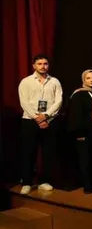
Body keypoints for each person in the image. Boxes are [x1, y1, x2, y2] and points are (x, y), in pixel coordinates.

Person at [20, 54, 62, 195]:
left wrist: (46, 116)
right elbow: (24, 102)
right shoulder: (26, 82)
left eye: (45, 64)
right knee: (28, 152)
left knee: (48, 153)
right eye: (39, 64)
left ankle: (44, 181)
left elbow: (58, 101)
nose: (43, 66)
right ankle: (27, 182)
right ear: (34, 65)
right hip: (30, 121)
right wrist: (37, 118)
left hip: (50, 121)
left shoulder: (54, 81)